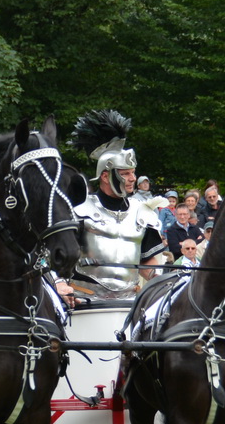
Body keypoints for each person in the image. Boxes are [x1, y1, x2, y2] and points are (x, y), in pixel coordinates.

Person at [68, 109, 164, 296]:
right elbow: (59, 256)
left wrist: (158, 277)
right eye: (125, 173)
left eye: (133, 172)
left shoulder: (142, 212)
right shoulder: (79, 210)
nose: (132, 178)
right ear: (105, 176)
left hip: (128, 303)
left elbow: (146, 262)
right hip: (84, 302)